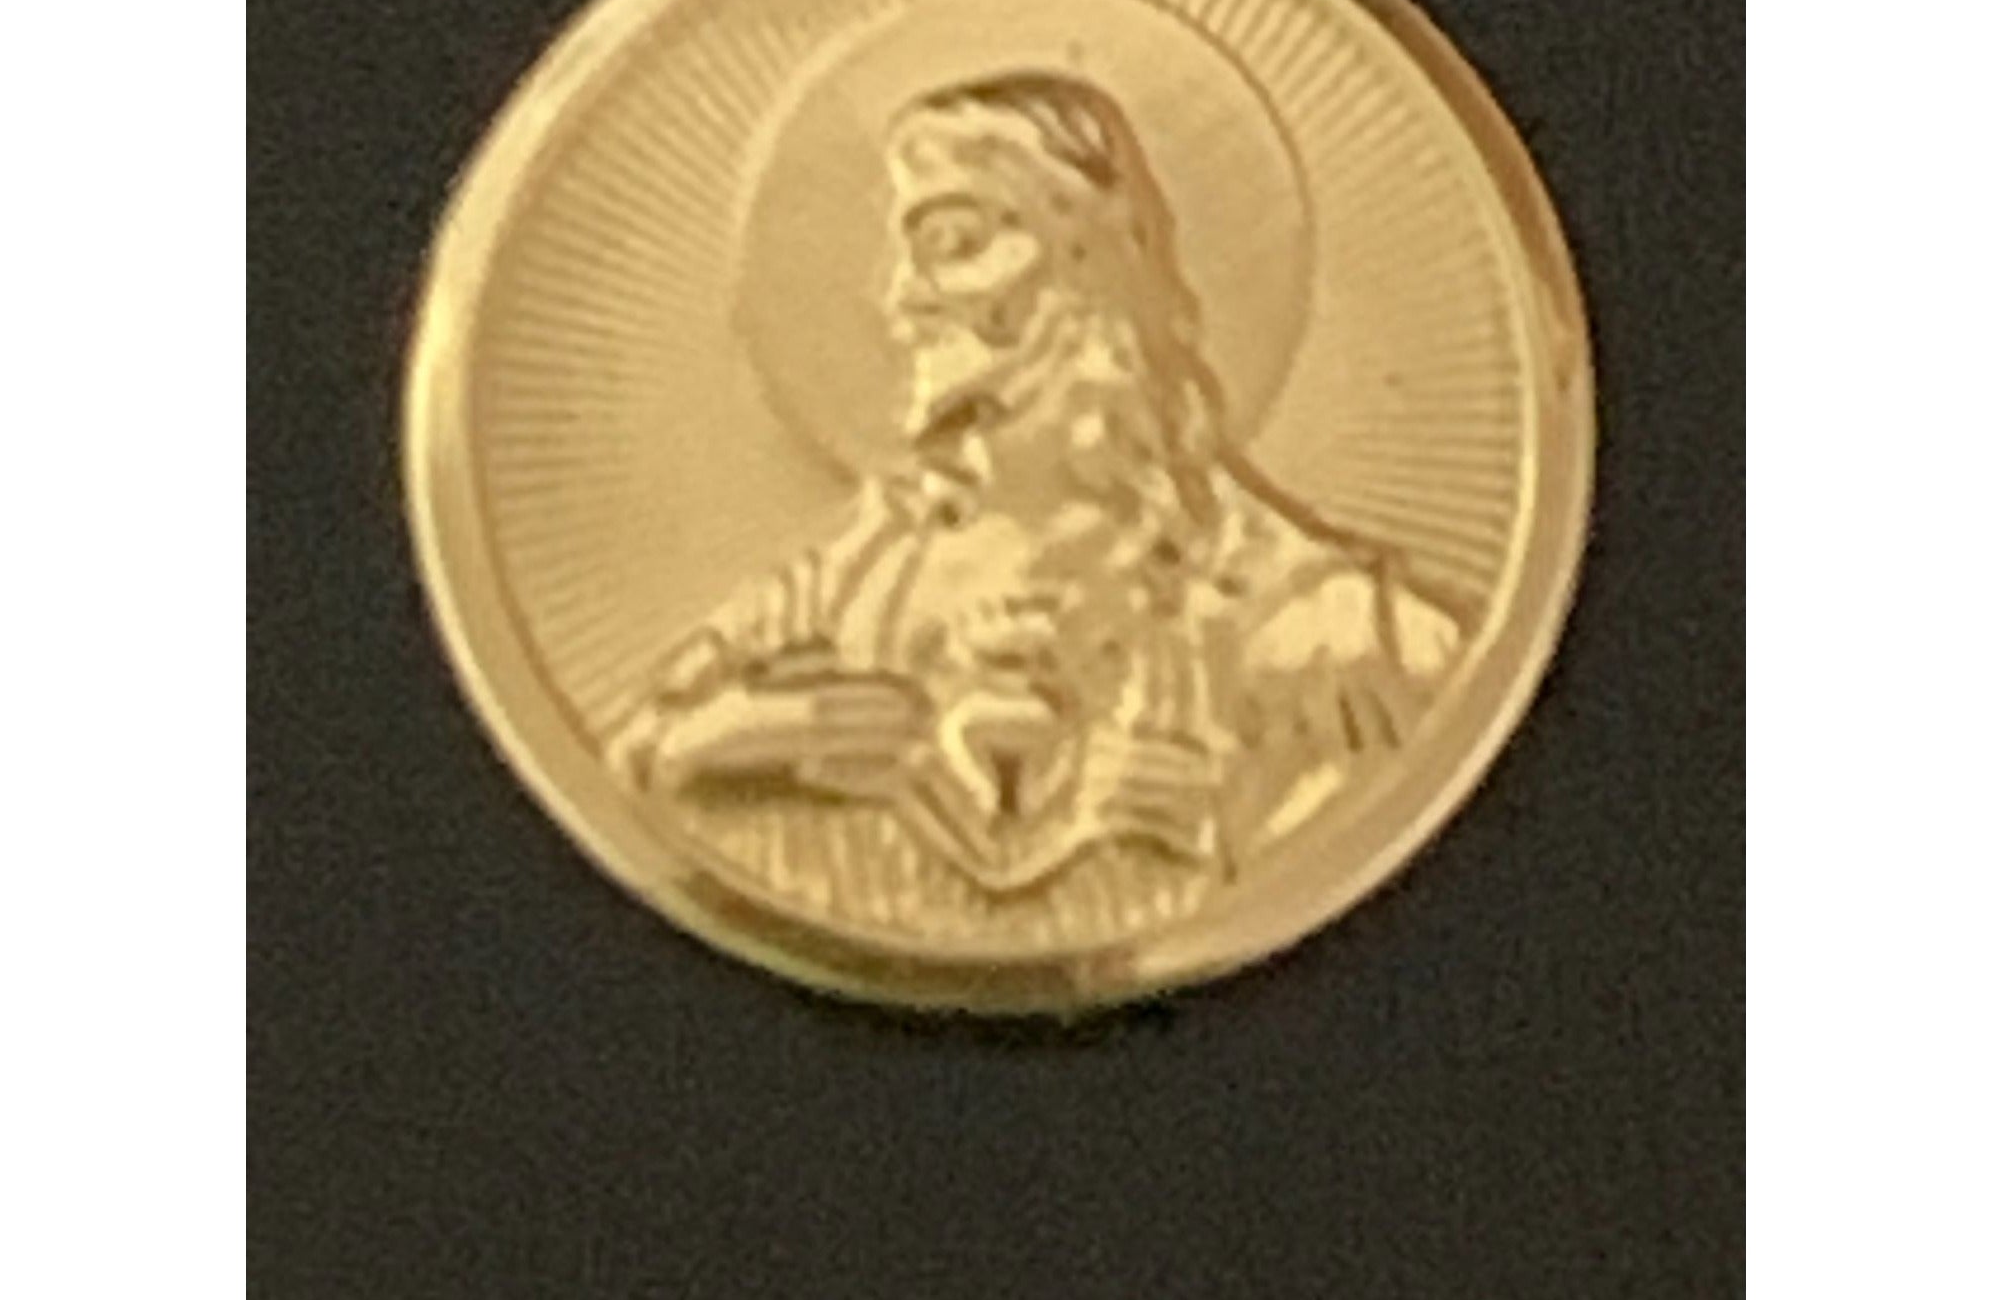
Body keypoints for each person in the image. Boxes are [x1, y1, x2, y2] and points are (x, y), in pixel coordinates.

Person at [605, 72, 1460, 893]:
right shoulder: (842, 587)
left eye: (953, 244)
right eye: (907, 255)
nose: (903, 300)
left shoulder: (1322, 623)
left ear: (1091, 260)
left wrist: (1238, 811)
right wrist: (740, 737)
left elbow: (1410, 794)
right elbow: (630, 769)